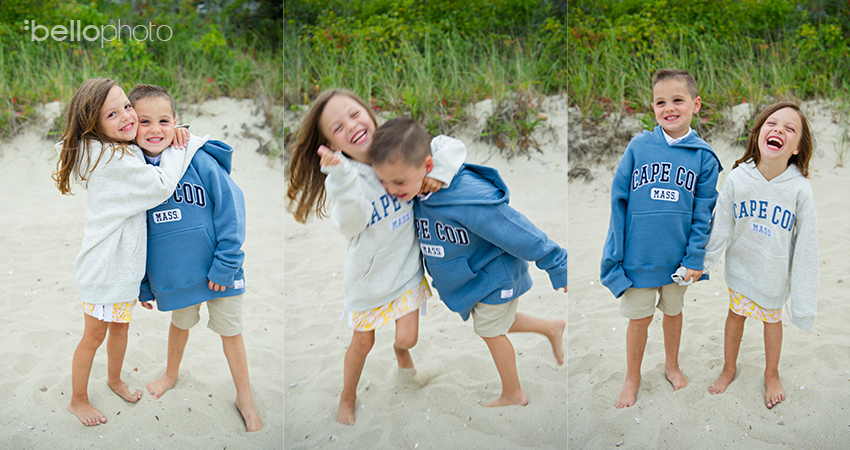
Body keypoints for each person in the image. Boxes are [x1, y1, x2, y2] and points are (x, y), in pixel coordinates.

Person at [285, 89, 466, 425]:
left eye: (354, 114)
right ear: (334, 146)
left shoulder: (399, 146)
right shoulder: (346, 178)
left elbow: (451, 146)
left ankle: (401, 356)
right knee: (362, 343)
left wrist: (437, 173)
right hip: (368, 284)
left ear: (369, 113)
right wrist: (338, 177)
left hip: (406, 272)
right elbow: (351, 223)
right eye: (337, 128)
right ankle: (347, 396)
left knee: (407, 338)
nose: (350, 125)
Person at [368, 117, 567, 408]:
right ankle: (551, 328)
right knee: (497, 321)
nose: (391, 189)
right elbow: (440, 145)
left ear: (427, 166)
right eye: (383, 181)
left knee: (489, 330)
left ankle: (514, 393)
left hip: (494, 274)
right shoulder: (415, 190)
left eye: (397, 181)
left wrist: (556, 262)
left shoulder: (467, 198)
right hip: (473, 280)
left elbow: (517, 230)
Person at [52, 78, 196, 426]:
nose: (127, 117)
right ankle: (78, 399)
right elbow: (161, 184)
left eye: (127, 107)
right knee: (94, 336)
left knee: (120, 329)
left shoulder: (116, 148)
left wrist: (175, 130)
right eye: (112, 114)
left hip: (123, 268)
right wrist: (181, 147)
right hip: (104, 270)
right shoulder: (111, 160)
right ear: (95, 124)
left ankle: (114, 379)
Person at [129, 84, 262, 431]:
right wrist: (145, 285)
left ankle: (244, 396)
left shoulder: (197, 159)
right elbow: (136, 235)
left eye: (163, 120)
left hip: (220, 269)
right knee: (180, 324)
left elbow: (232, 210)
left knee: (231, 332)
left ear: (176, 122)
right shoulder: (133, 172)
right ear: (131, 125)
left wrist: (227, 263)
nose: (155, 129)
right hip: (175, 277)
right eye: (145, 122)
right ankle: (171, 374)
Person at [600, 69, 722, 408]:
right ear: (652, 107)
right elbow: (618, 202)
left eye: (678, 100)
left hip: (678, 260)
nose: (669, 108)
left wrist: (694, 257)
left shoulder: (703, 157)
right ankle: (632, 377)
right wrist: (616, 254)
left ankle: (671, 365)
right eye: (660, 102)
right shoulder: (639, 146)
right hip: (639, 257)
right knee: (638, 319)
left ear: (695, 104)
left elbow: (704, 214)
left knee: (673, 313)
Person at [703, 101, 817, 409]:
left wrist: (802, 301)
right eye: (772, 123)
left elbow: (807, 245)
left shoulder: (799, 190)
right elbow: (720, 225)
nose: (779, 128)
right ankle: (729, 369)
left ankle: (771, 374)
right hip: (741, 267)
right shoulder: (739, 178)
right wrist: (703, 264)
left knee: (771, 321)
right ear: (758, 134)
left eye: (790, 128)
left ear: (796, 147)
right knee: (735, 314)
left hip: (773, 273)